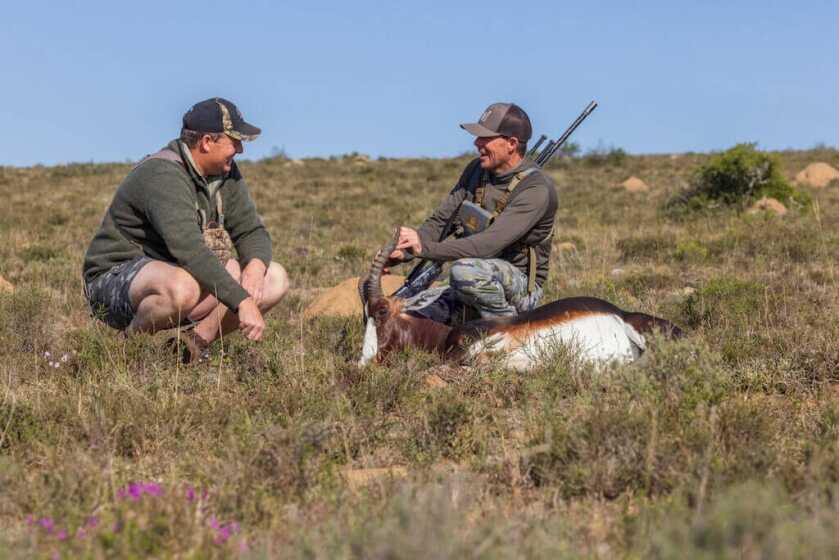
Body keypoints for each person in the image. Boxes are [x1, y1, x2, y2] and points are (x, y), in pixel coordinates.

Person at [82, 97, 289, 362]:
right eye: (234, 140)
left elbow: (251, 230)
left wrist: (256, 268)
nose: (240, 150)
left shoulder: (226, 173)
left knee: (273, 278)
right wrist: (243, 301)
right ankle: (123, 353)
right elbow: (190, 251)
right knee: (183, 288)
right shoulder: (163, 175)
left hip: (177, 276)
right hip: (113, 282)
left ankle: (188, 348)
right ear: (206, 142)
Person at [389, 102, 557, 323]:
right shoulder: (477, 170)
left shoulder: (536, 189)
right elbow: (441, 221)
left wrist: (424, 248)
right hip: (474, 276)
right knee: (402, 316)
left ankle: (510, 331)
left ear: (511, 144)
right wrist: (403, 252)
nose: (477, 143)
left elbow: (487, 246)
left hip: (519, 286)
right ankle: (470, 323)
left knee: (464, 272)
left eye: (486, 138)